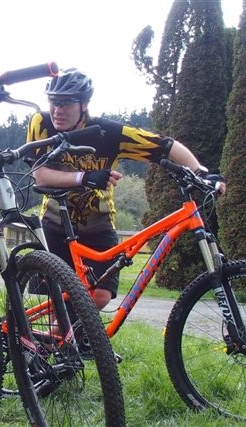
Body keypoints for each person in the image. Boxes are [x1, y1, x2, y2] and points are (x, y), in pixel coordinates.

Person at [27, 68, 226, 311]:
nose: (58, 110)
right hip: (55, 223)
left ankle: (71, 332)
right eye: (53, 102)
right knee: (53, 299)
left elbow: (165, 145)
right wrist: (85, 177)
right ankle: (58, 333)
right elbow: (40, 175)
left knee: (100, 294)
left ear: (84, 104)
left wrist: (200, 173)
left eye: (66, 103)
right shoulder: (42, 123)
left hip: (97, 225)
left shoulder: (107, 133)